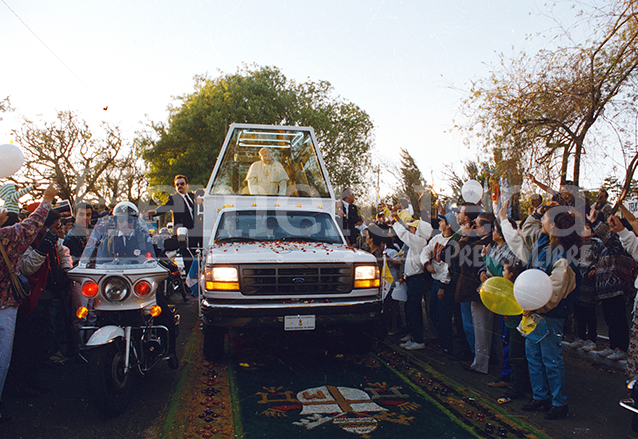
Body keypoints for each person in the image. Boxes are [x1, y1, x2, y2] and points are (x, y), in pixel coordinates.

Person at [0, 183, 57, 423]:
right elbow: (32, 225)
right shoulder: (8, 237)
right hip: (5, 305)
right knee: (3, 355)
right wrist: (46, 199)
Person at [518, 204, 581, 420]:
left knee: (551, 359)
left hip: (550, 315)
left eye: (544, 218)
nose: (541, 221)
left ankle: (559, 403)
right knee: (533, 356)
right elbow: (528, 229)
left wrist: (535, 306)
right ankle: (540, 396)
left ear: (554, 226)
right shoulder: (544, 245)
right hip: (533, 312)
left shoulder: (563, 254)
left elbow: (555, 290)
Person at [392, 213, 432, 350]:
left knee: (413, 309)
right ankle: (413, 335)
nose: (410, 230)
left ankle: (418, 339)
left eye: (412, 228)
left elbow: (404, 234)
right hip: (411, 278)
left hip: (417, 278)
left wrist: (395, 221)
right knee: (411, 309)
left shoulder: (419, 241)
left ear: (418, 230)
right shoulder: (416, 242)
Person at [147, 175, 201, 273]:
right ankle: (189, 281)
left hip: (196, 234)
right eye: (177, 184)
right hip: (183, 235)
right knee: (188, 259)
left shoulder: (193, 196)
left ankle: (198, 278)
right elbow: (165, 207)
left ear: (187, 185)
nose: (179, 186)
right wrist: (154, 212)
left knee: (199, 257)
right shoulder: (174, 198)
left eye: (182, 184)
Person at [421, 214, 455, 356]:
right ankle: (441, 341)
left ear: (449, 225)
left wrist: (443, 285)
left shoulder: (453, 242)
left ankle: (447, 345)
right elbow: (425, 251)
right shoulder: (437, 238)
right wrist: (427, 264)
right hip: (435, 280)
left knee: (443, 315)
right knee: (433, 312)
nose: (440, 223)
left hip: (444, 284)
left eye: (442, 221)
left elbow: (449, 267)